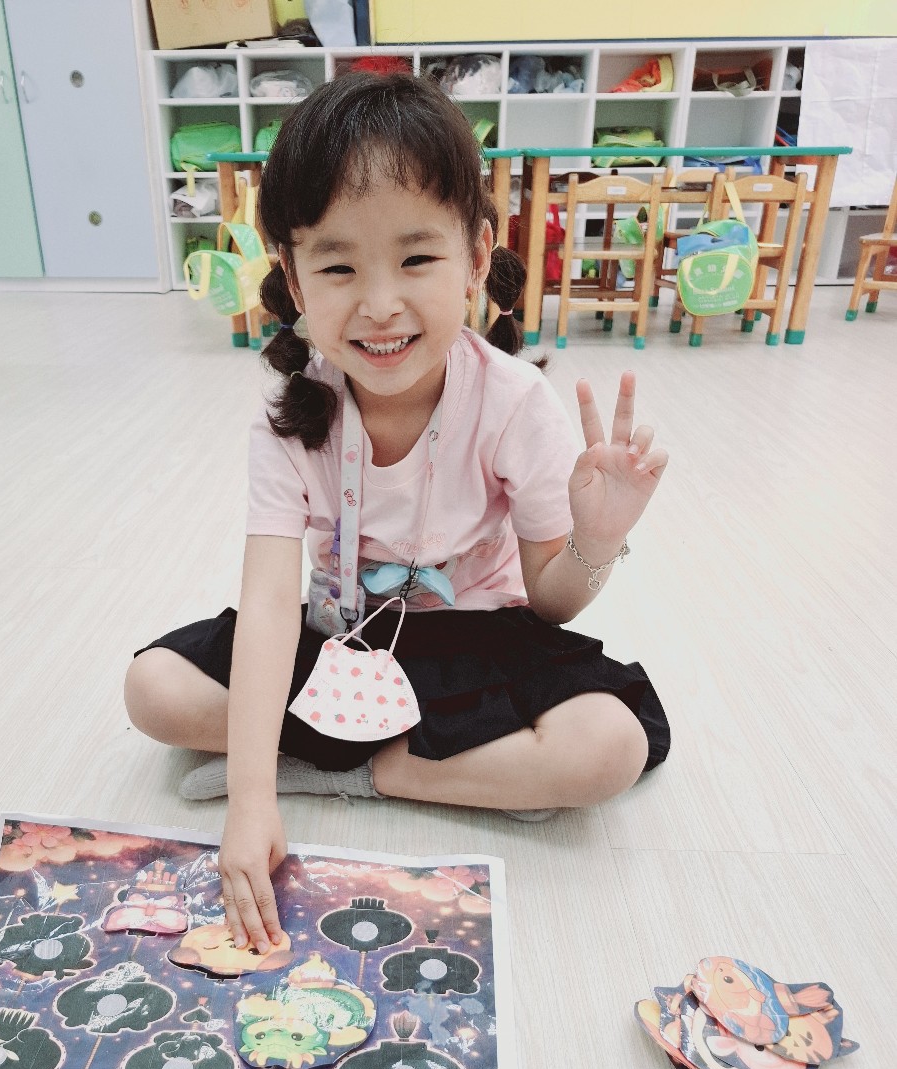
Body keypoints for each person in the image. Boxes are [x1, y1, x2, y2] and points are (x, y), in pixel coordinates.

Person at [124, 73, 670, 956]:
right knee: (153, 688)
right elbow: (269, 606)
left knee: (608, 747)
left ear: (477, 256)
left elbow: (551, 603)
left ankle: (368, 770)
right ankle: (407, 764)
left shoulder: (514, 401)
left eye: (417, 260)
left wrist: (598, 540)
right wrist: (250, 803)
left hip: (477, 643)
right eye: (339, 267)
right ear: (293, 277)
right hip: (338, 641)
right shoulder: (290, 414)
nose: (380, 306)